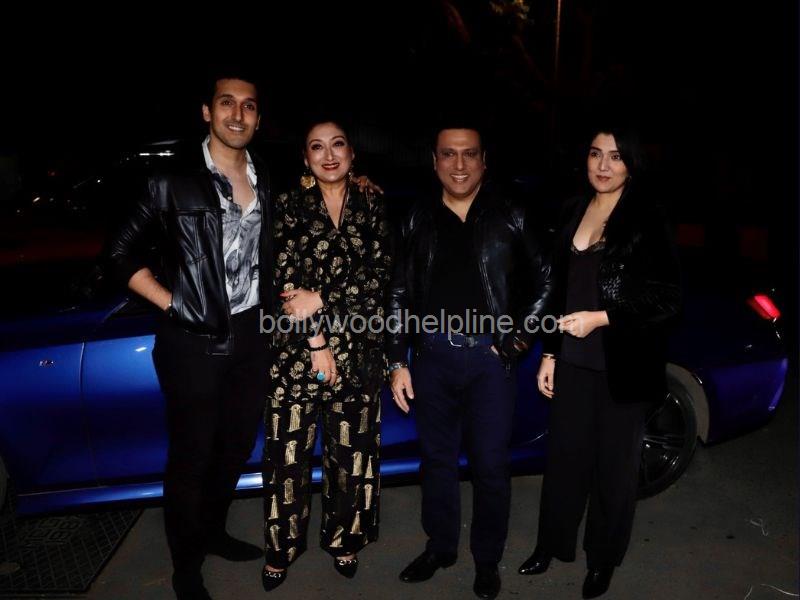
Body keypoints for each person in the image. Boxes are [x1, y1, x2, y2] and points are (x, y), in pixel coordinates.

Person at [107, 69, 273, 600]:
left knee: (235, 448)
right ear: (207, 111)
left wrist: (358, 182)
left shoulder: (268, 176)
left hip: (252, 334)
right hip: (191, 342)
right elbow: (119, 253)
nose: (237, 114)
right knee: (192, 457)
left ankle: (214, 532)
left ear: (258, 117)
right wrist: (173, 303)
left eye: (248, 105)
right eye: (226, 103)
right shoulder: (170, 180)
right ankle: (186, 566)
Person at [387, 123, 551, 599]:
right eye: (448, 154)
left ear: (484, 160)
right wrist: (397, 359)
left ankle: (486, 559)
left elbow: (546, 279)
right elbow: (398, 290)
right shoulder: (417, 216)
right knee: (435, 462)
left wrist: (516, 342)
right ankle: (440, 547)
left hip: (489, 362)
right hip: (432, 357)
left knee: (491, 466)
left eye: (469, 154)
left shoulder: (511, 212)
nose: (459, 164)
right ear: (434, 160)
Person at [518, 121, 681, 599]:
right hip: (571, 360)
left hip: (622, 365)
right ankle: (551, 544)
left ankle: (602, 558)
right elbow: (558, 289)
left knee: (613, 470)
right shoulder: (574, 209)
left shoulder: (646, 217)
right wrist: (550, 352)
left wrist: (602, 318)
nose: (603, 166)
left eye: (615, 156)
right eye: (595, 154)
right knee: (564, 459)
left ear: (631, 163)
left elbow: (668, 298)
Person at [260, 119, 392, 591]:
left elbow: (380, 277)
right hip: (297, 354)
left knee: (351, 457)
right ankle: (281, 547)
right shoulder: (288, 206)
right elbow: (286, 286)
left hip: (359, 354)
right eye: (317, 147)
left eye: (337, 145)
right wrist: (318, 343)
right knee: (288, 457)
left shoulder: (373, 204)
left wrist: (322, 297)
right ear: (305, 158)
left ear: (352, 153)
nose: (329, 155)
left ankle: (344, 539)